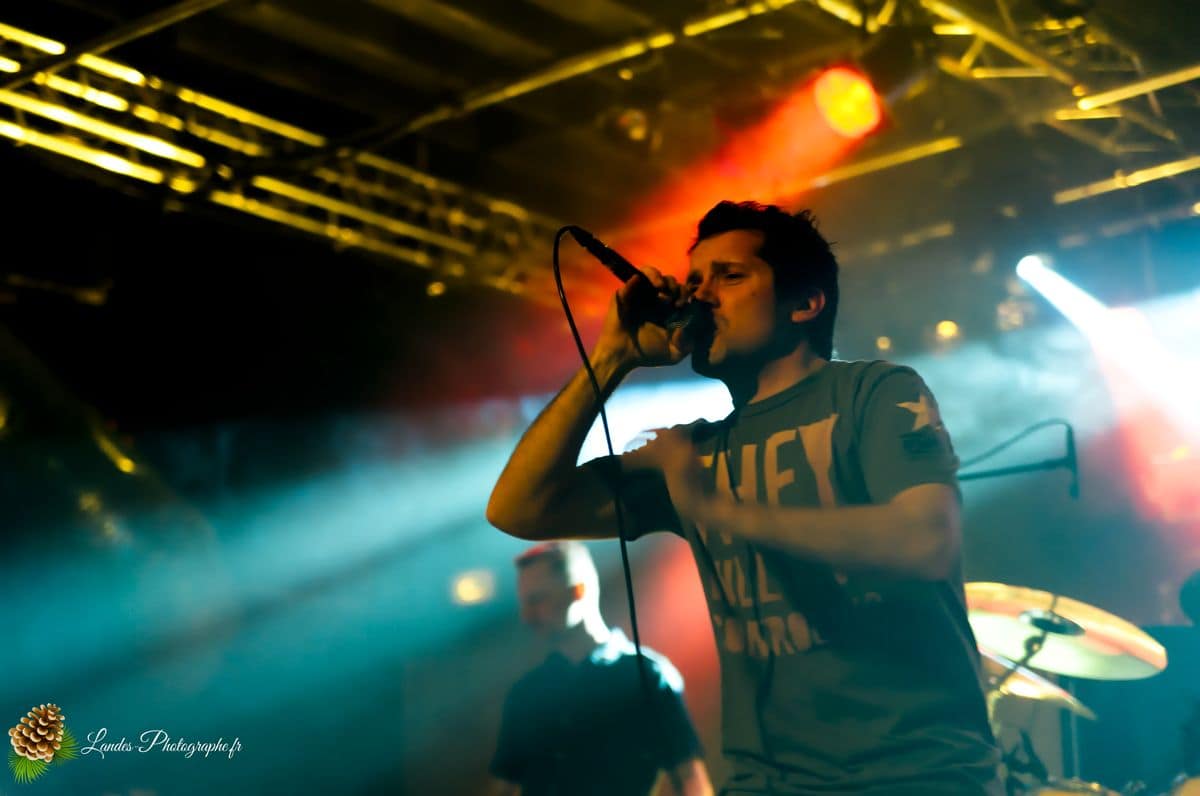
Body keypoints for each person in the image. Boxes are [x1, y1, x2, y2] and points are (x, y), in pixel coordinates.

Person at [487, 200, 1001, 794]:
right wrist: (613, 359)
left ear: (805, 303)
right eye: (694, 280)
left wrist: (711, 507)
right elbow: (517, 508)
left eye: (729, 277)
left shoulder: (875, 392)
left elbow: (924, 542)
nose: (699, 296)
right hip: (765, 782)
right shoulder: (691, 452)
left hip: (916, 774)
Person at [489, 541, 712, 796]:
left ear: (578, 591)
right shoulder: (525, 694)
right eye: (525, 603)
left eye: (537, 600)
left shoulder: (647, 676)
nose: (526, 616)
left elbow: (691, 780)